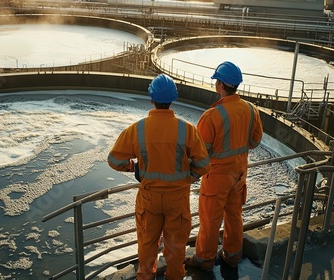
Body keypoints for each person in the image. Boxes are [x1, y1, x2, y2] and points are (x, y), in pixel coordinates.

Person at [107, 73, 211, 280]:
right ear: (173, 99)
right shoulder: (187, 130)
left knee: (147, 244)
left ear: (152, 99)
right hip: (178, 199)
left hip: (149, 199)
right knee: (175, 247)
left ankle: (146, 276)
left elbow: (114, 160)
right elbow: (203, 164)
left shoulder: (137, 129)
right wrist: (189, 178)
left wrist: (132, 168)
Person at [184, 61, 263, 271]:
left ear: (219, 84)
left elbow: (199, 154)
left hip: (217, 176)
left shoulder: (212, 116)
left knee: (210, 220)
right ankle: (232, 255)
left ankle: (204, 259)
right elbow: (255, 142)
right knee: (234, 215)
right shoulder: (251, 109)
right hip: (239, 174)